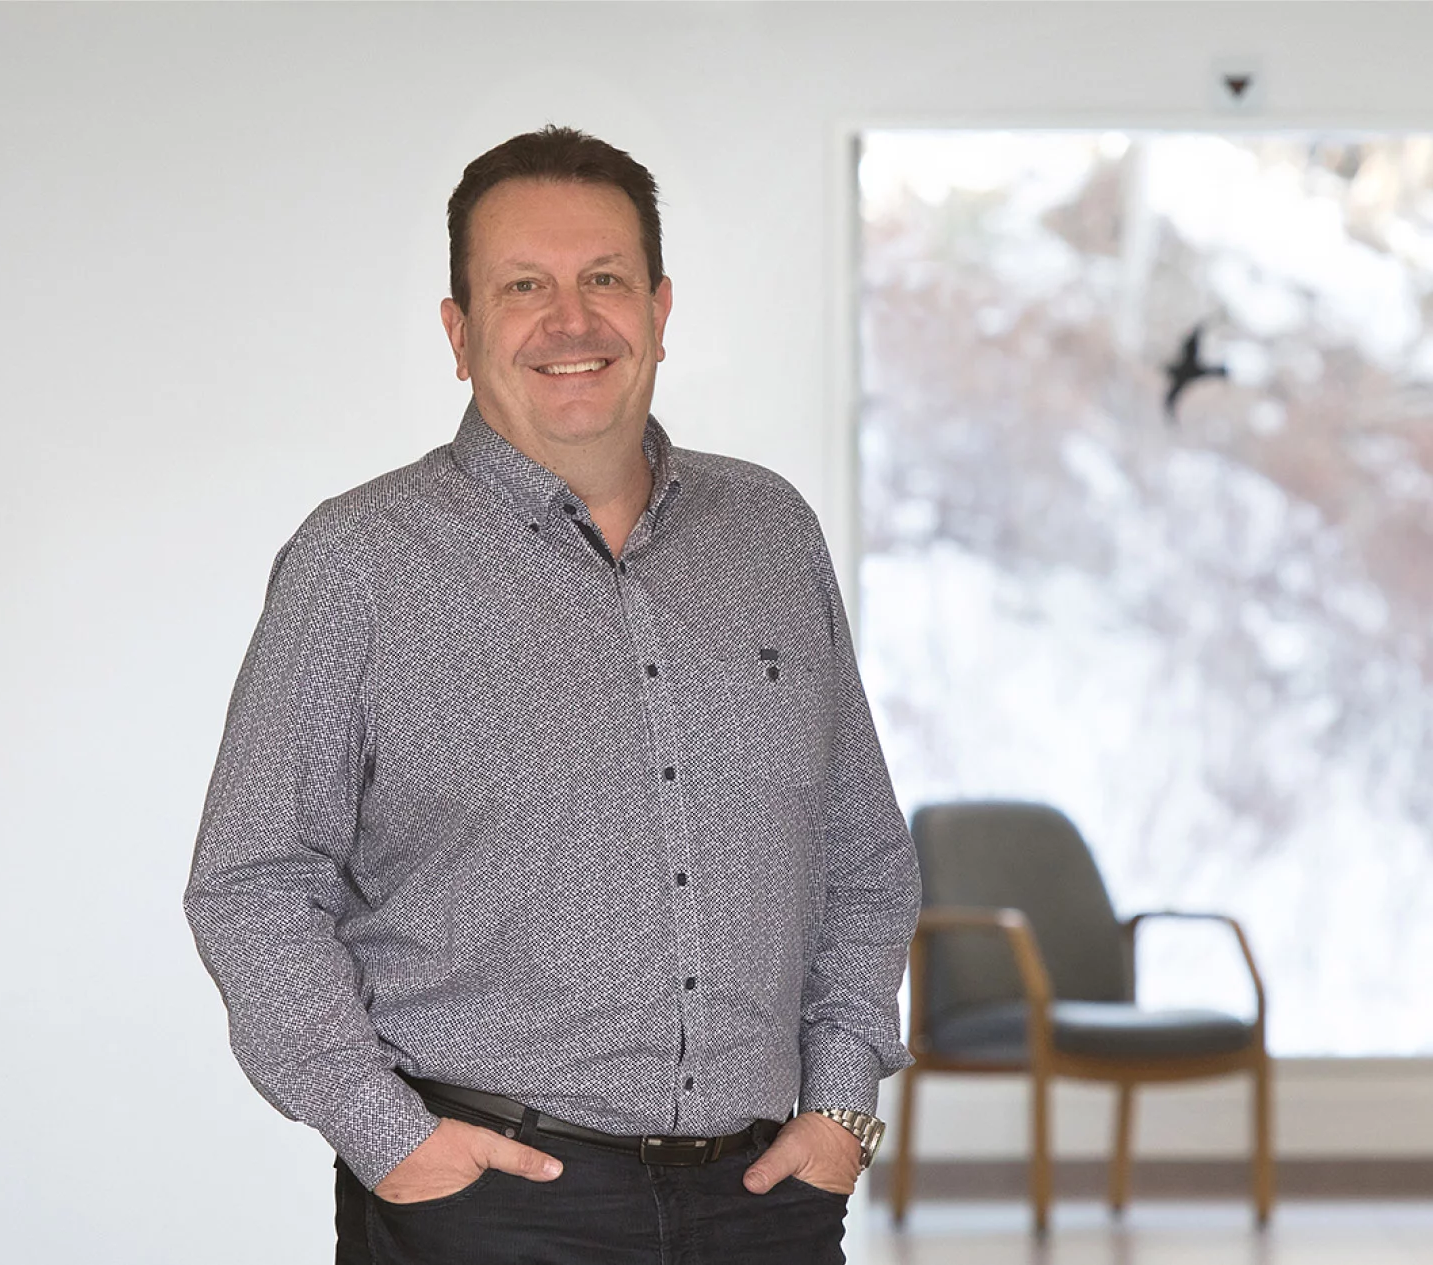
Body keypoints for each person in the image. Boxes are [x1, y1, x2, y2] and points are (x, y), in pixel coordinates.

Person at [184, 126, 920, 1264]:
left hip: (764, 1202)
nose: (571, 322)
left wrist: (840, 1106)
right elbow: (252, 880)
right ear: (459, 331)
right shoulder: (360, 562)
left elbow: (860, 851)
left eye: (605, 280)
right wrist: (386, 1135)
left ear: (659, 312)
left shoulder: (770, 533)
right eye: (523, 286)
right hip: (487, 1207)